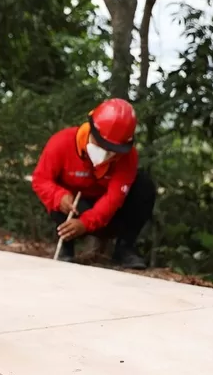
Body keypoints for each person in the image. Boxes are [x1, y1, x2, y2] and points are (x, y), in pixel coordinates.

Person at [32, 99, 157, 269]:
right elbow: (41, 179)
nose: (106, 154)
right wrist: (59, 197)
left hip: (108, 214)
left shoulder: (128, 157)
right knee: (60, 197)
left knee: (144, 186)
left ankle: (124, 248)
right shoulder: (61, 142)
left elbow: (114, 198)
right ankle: (66, 248)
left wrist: (85, 223)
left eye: (113, 150)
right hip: (74, 207)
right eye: (101, 145)